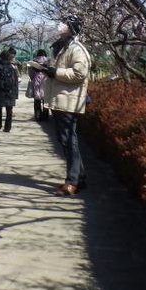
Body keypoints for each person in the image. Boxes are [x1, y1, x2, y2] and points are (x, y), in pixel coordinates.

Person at [43, 15, 91, 195]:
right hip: (62, 100)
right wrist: (49, 70)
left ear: (71, 28)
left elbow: (79, 73)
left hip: (69, 101)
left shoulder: (76, 49)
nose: (60, 25)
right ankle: (80, 178)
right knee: (68, 140)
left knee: (69, 140)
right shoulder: (64, 48)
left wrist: (56, 72)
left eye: (64, 23)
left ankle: (72, 181)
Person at [0, 47, 20, 131]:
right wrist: (15, 93)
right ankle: (8, 127)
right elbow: (15, 80)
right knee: (9, 109)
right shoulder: (12, 67)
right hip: (10, 91)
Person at [26, 48, 50, 121]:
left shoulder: (34, 61)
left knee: (37, 100)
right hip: (45, 79)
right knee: (46, 100)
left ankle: (37, 116)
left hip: (36, 79)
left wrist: (32, 77)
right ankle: (45, 116)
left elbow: (30, 72)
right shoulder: (48, 61)